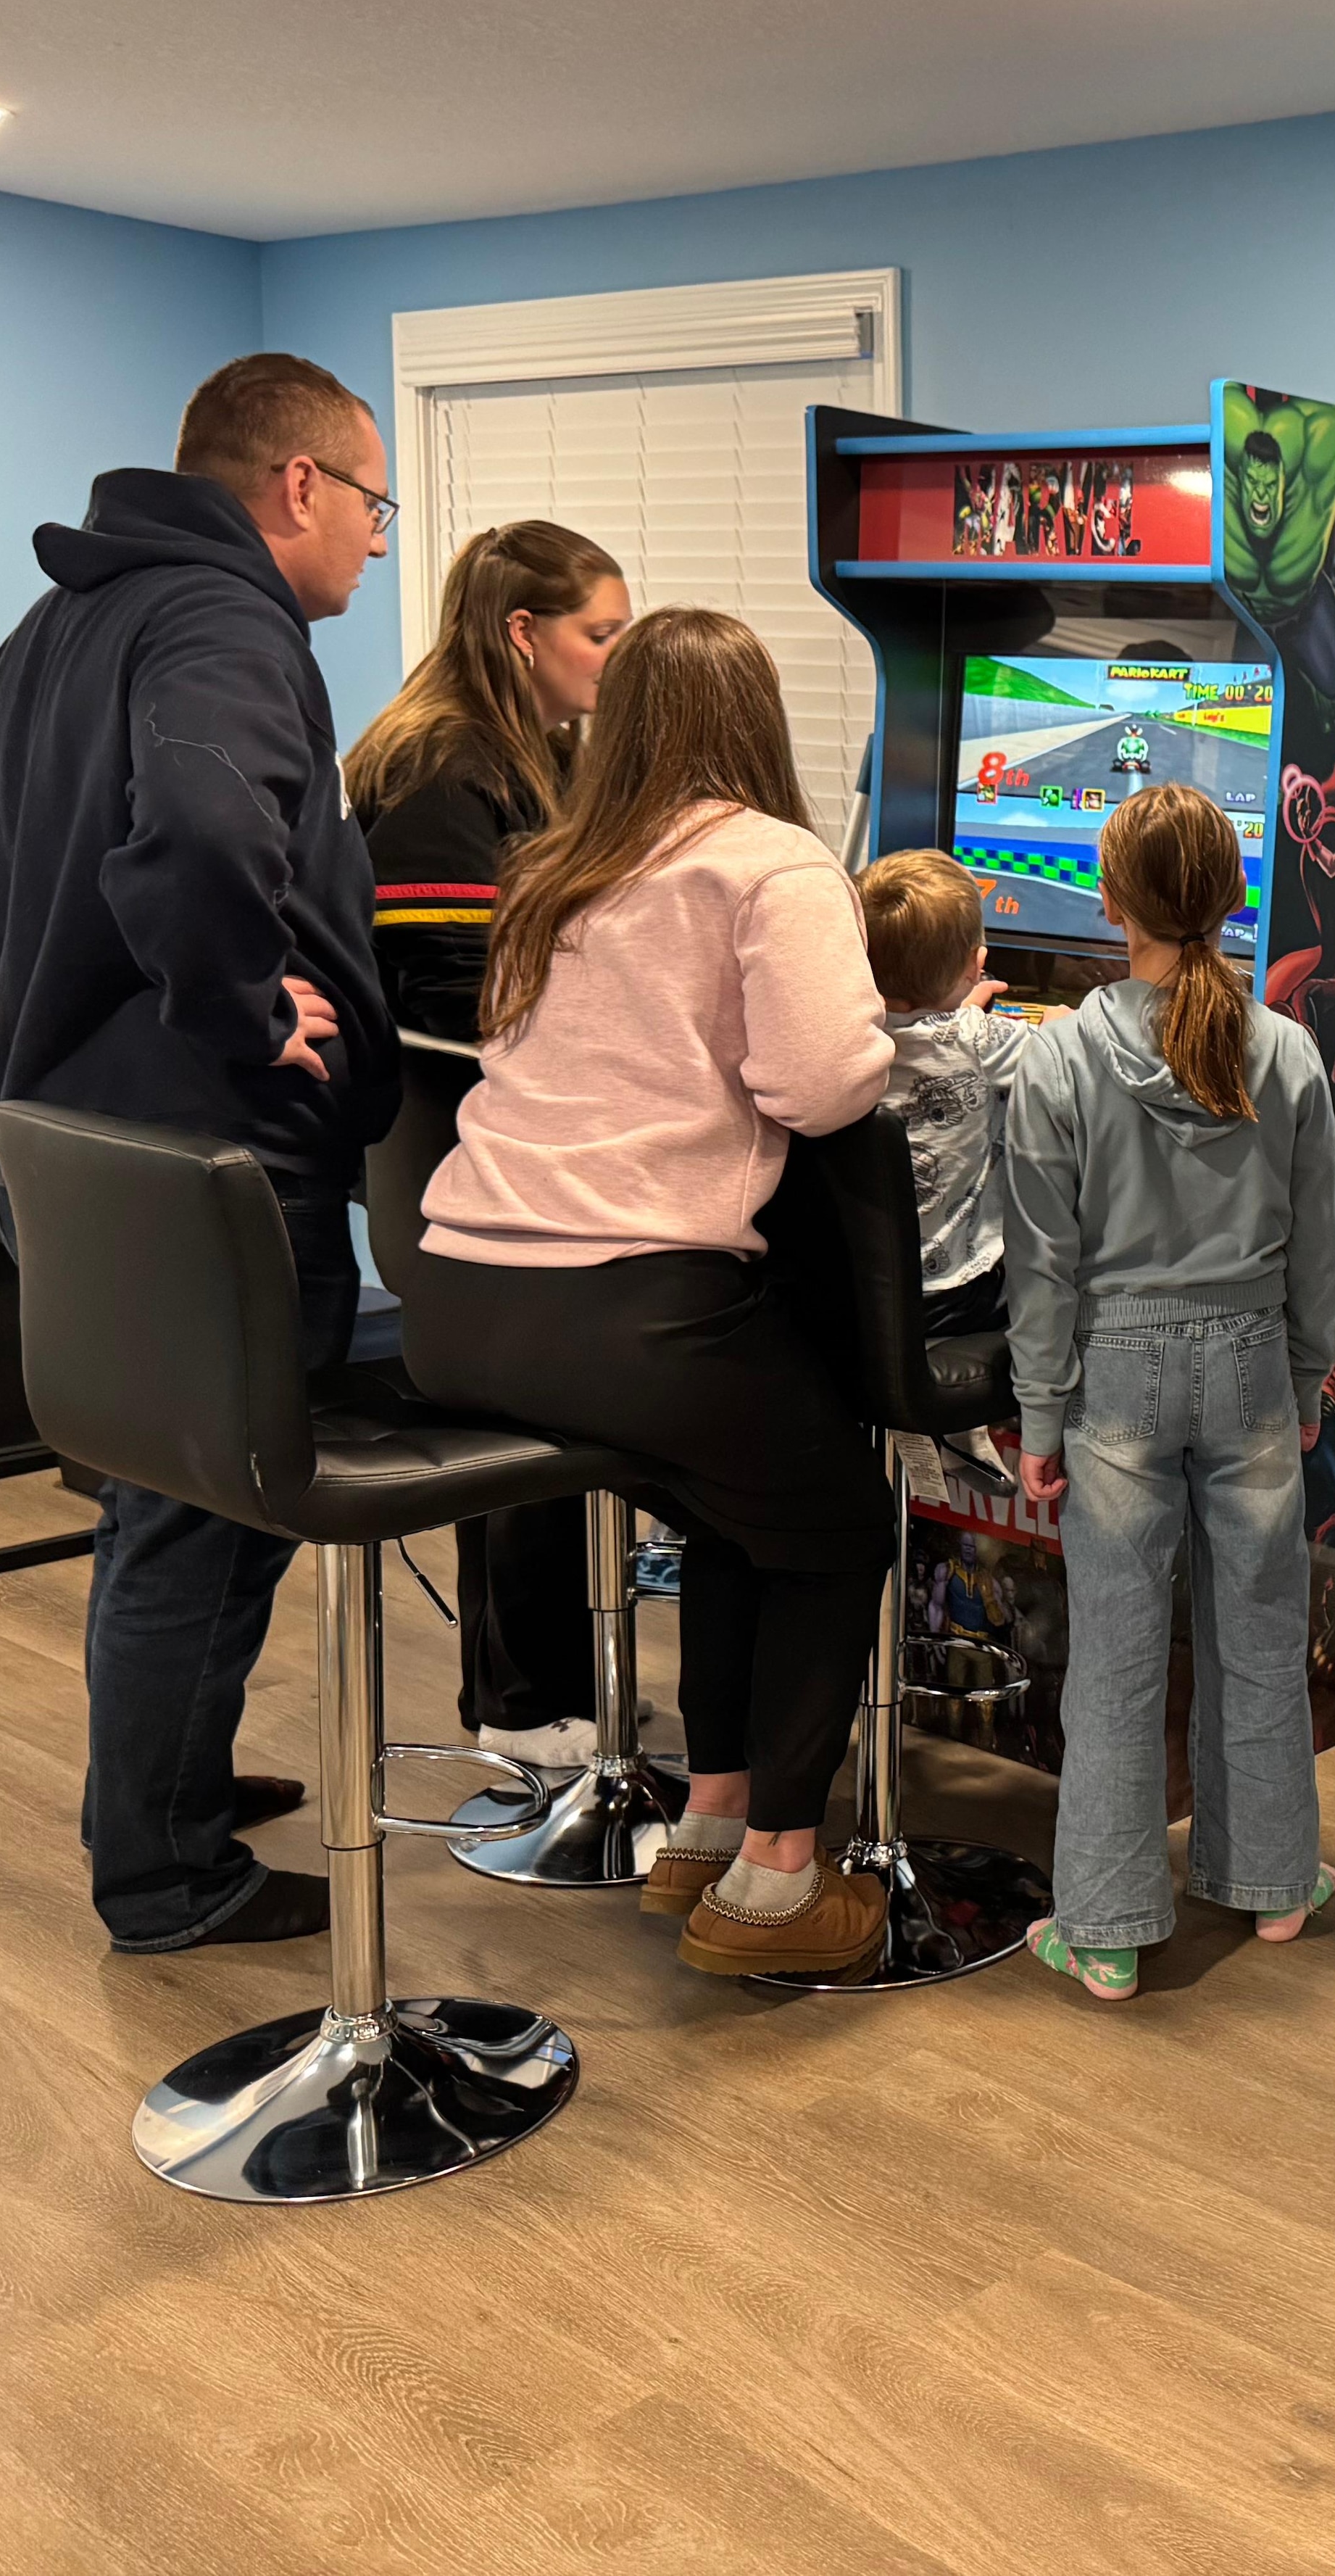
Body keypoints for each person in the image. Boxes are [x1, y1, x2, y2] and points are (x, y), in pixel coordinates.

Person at [0, 351, 400, 1952]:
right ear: (299, 484)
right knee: (203, 1519)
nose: (375, 540)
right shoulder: (227, 620)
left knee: (159, 1504)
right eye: (372, 504)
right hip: (204, 1155)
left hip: (73, 1137)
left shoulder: (60, 623)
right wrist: (246, 1007)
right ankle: (166, 1876)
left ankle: (168, 1794)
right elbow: (210, 829)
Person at [399, 605, 897, 1980]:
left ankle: (709, 1827)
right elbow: (819, 1084)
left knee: (744, 1509)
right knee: (839, 1524)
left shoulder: (549, 869)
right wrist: (895, 1034)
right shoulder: (771, 861)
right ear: (757, 722)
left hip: (459, 1298)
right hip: (627, 1311)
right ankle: (782, 1883)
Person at [1004, 783, 1335, 2003]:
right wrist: (1305, 1377)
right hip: (1251, 1365)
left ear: (1111, 902)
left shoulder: (1058, 1056)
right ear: (1234, 895)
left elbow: (1042, 1265)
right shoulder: (1287, 1050)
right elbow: (1319, 1249)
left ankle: (1103, 1928)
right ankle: (1274, 1880)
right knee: (1260, 1628)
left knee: (1115, 1652)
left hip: (1117, 1377)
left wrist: (1041, 1415)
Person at [345, 518, 632, 1767]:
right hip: (466, 1165)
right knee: (541, 1405)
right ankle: (530, 1710)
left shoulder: (533, 757)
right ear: (524, 633)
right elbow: (457, 990)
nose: (616, 658)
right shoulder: (445, 770)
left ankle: (540, 1696)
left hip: (496, 1153)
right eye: (600, 634)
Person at [857, 848, 1036, 1342]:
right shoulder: (982, 1041)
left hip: (861, 1292)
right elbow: (1066, 1052)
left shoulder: (844, 1039)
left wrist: (963, 1009)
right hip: (957, 1295)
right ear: (977, 965)